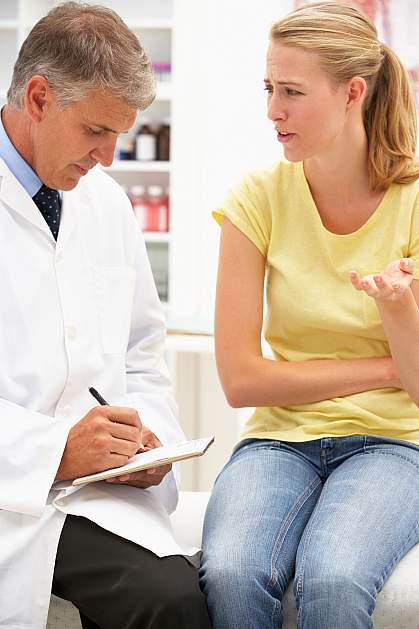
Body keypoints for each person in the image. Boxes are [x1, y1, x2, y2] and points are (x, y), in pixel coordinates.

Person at [200, 2, 419, 628]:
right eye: (270, 89)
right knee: (233, 573)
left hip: (395, 445)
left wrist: (399, 308)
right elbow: (242, 379)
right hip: (278, 441)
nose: (273, 110)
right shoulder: (256, 199)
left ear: (353, 92)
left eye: (292, 92)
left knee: (334, 576)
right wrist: (385, 367)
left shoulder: (414, 204)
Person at [0, 3, 211, 629]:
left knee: (208, 585)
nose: (110, 157)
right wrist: (56, 450)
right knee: (167, 601)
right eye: (97, 131)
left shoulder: (105, 203)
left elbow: (143, 352)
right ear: (39, 97)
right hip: (16, 492)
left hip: (101, 492)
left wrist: (147, 443)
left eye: (120, 134)